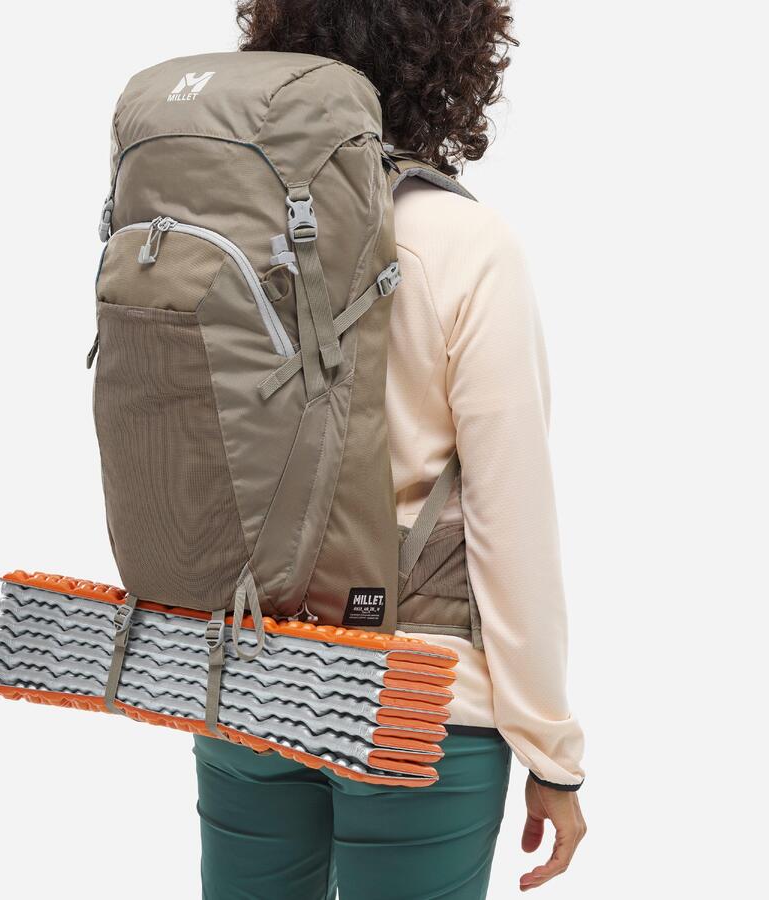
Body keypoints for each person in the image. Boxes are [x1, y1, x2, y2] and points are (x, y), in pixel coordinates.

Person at [193, 2, 586, 897]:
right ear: (452, 59)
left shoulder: (227, 222)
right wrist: (551, 753)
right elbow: (511, 526)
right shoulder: (464, 243)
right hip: (414, 702)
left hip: (243, 673)